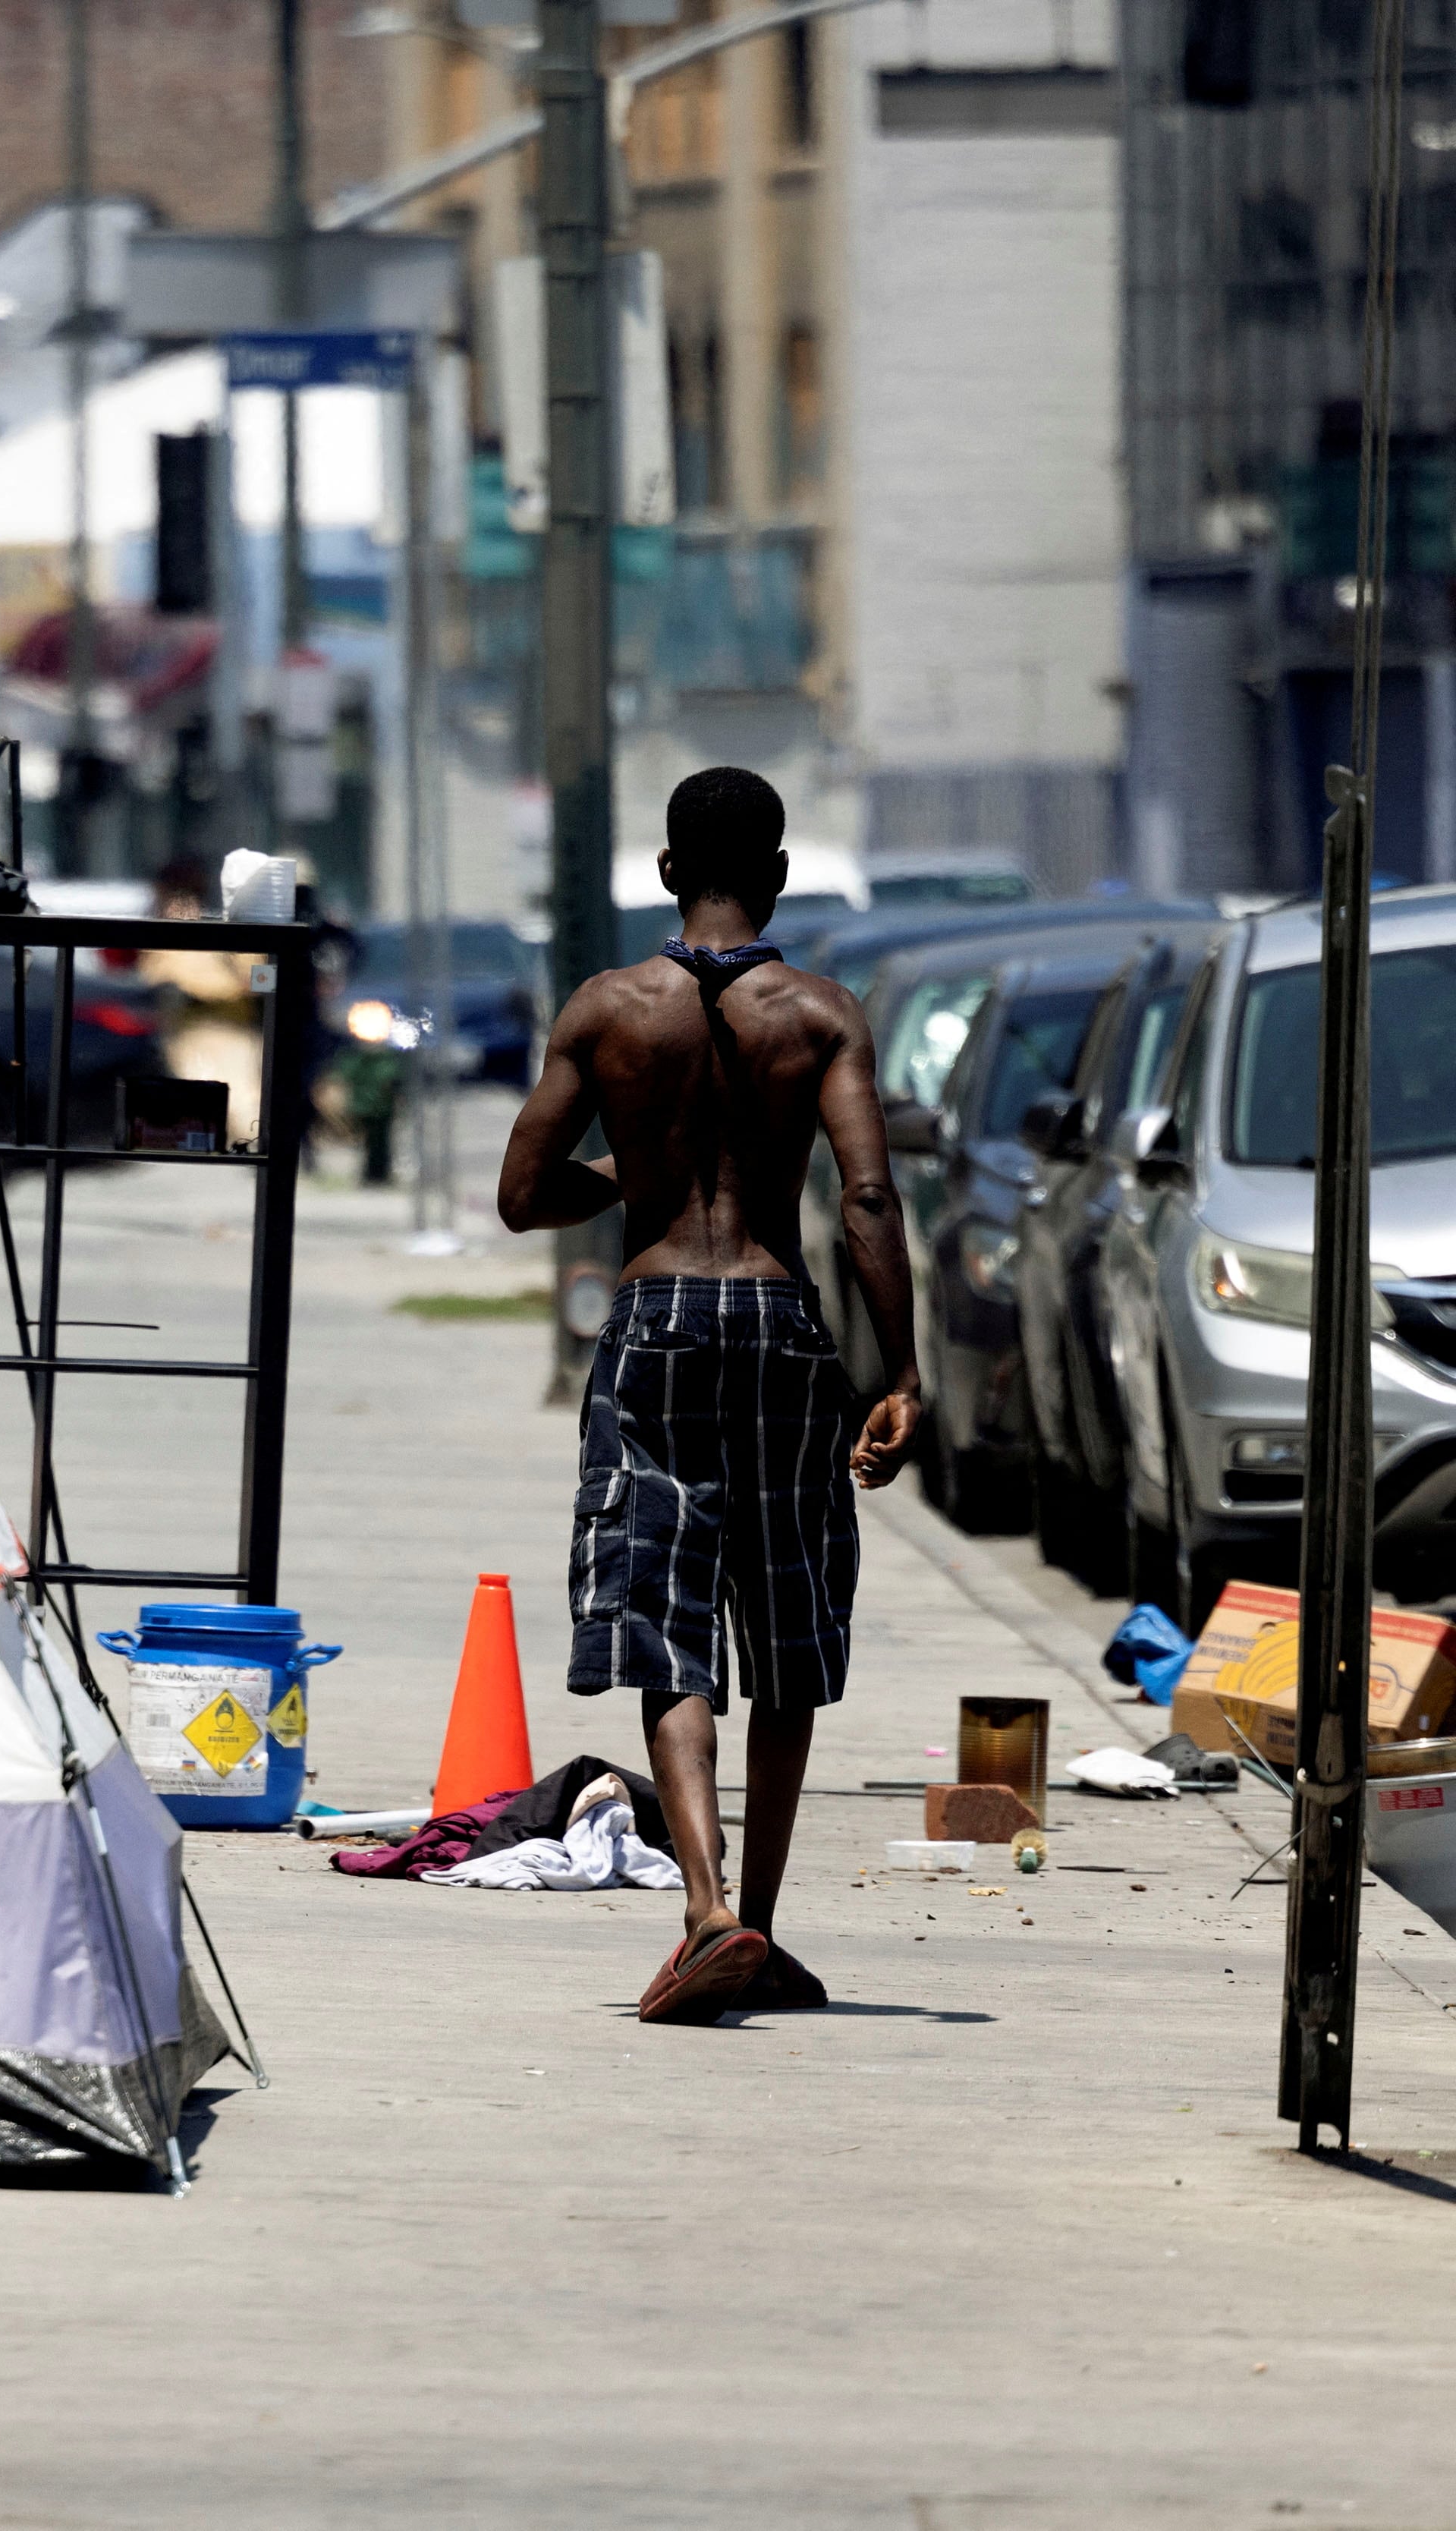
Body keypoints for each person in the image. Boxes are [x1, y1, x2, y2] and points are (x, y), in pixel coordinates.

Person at [494, 766, 920, 2024]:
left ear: (669, 872)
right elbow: (867, 1198)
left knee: (666, 1619)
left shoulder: (607, 1009)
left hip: (656, 1321)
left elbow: (524, 1194)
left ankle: (706, 1908)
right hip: (780, 1323)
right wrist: (900, 1371)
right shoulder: (823, 1014)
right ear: (777, 876)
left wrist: (635, 1176)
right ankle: (761, 1925)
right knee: (785, 1627)